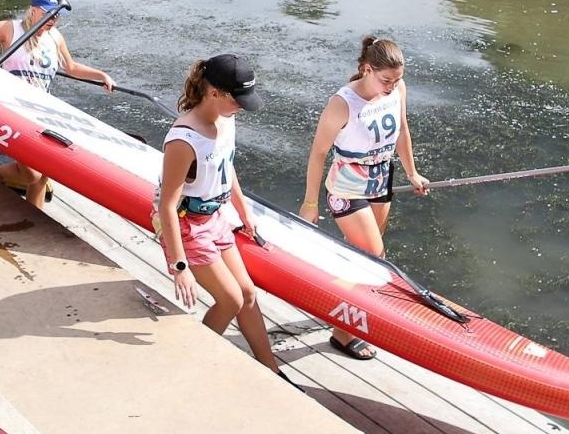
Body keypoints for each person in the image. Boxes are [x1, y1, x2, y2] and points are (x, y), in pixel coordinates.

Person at [300, 37, 429, 361]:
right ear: (367, 69)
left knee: (361, 259)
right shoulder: (342, 104)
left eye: (397, 80)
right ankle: (342, 332)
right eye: (386, 80)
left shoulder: (397, 89)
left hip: (382, 180)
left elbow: (402, 131)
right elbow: (318, 153)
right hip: (347, 188)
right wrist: (310, 203)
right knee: (375, 258)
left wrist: (412, 173)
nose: (391, 86)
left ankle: (339, 305)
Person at [155, 55, 282, 376]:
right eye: (237, 100)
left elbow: (227, 166)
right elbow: (167, 205)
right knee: (231, 300)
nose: (241, 107)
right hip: (186, 225)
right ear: (214, 93)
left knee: (248, 294)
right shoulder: (184, 141)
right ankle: (189, 365)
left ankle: (271, 368)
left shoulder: (226, 120)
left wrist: (244, 212)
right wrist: (180, 266)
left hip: (216, 218)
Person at [0, 0, 114, 208]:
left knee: (44, 173)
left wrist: (101, 75)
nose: (53, 20)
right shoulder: (10, 29)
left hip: (41, 110)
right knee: (32, 174)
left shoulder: (55, 37)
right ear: (33, 10)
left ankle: (34, 215)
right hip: (13, 110)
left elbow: (71, 67)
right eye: (48, 14)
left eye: (57, 16)